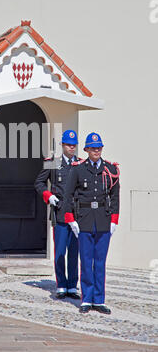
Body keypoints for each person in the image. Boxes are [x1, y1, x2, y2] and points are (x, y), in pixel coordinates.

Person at [64, 132, 120, 314]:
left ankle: (99, 299)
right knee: (86, 261)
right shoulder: (78, 169)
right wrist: (71, 220)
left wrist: (114, 220)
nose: (96, 150)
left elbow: (114, 197)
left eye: (99, 148)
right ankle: (87, 299)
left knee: (100, 262)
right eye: (93, 148)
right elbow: (68, 196)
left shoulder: (110, 170)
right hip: (85, 220)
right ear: (87, 149)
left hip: (103, 221)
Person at [34, 130, 81, 300]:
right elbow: (39, 183)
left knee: (74, 252)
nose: (71, 147)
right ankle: (61, 284)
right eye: (69, 144)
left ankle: (72, 286)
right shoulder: (52, 163)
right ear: (62, 145)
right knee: (60, 251)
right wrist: (49, 196)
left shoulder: (80, 164)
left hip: (76, 215)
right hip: (60, 212)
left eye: (74, 145)